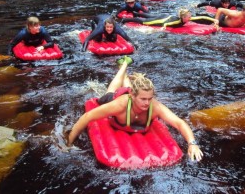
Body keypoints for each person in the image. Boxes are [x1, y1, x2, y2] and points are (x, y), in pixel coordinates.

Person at [67, 56, 203, 161]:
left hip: (132, 93)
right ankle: (123, 65)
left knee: (130, 87)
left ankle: (127, 74)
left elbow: (178, 122)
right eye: (143, 99)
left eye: (150, 98)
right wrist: (68, 143)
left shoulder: (154, 106)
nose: (147, 103)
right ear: (132, 96)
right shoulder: (119, 105)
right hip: (117, 97)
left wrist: (192, 143)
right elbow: (87, 117)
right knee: (111, 90)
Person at [121, 9, 219, 30]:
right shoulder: (178, 21)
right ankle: (126, 20)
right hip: (163, 20)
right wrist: (163, 28)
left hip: (165, 15)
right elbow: (166, 24)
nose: (190, 17)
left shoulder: (187, 19)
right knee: (145, 21)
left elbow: (201, 17)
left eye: (190, 16)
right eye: (188, 16)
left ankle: (136, 13)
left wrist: (213, 20)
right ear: (183, 17)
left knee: (151, 15)